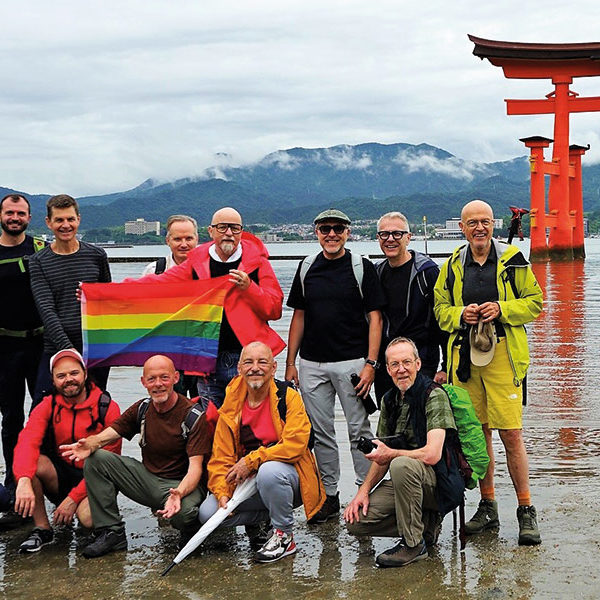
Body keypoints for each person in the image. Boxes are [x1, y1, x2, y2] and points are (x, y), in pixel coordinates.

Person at [433, 199, 543, 545]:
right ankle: (488, 505)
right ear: (462, 228)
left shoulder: (513, 260)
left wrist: (502, 308)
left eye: (484, 221)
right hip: (465, 360)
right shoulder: (451, 266)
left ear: (493, 224)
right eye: (471, 223)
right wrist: (459, 315)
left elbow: (536, 302)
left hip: (503, 357)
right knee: (478, 437)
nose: (479, 228)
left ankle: (526, 510)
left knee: (511, 434)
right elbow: (439, 310)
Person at [285, 209, 384, 523]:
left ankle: (364, 492)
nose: (331, 234)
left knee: (359, 430)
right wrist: (290, 362)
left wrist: (371, 363)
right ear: (316, 232)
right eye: (325, 229)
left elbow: (375, 319)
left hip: (353, 362)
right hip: (312, 363)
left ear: (348, 232)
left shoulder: (361, 268)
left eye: (338, 229)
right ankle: (329, 496)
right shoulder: (306, 268)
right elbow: (298, 316)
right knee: (320, 432)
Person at [60, 355, 212, 558]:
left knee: (183, 515)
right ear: (143, 382)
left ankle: (190, 532)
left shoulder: (193, 416)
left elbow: (196, 469)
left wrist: (179, 493)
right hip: (149, 480)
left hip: (183, 484)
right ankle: (111, 531)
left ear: (176, 378)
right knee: (97, 459)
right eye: (152, 379)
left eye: (164, 378)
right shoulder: (142, 408)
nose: (158, 384)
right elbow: (113, 432)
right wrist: (91, 443)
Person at [132, 207, 284, 408]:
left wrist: (250, 288)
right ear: (211, 231)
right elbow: (159, 285)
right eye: (222, 227)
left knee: (249, 423)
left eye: (234, 228)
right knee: (210, 423)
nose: (228, 233)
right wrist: (103, 293)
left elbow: (274, 310)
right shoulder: (196, 261)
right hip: (207, 360)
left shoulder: (258, 263)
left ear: (242, 231)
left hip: (247, 359)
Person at [198, 341, 325, 562]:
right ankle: (271, 516)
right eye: (248, 362)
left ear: (274, 367)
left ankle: (284, 536)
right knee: (208, 514)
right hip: (250, 483)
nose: (255, 367)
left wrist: (253, 460)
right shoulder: (232, 402)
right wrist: (222, 492)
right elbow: (221, 457)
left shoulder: (289, 396)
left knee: (269, 471)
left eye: (262, 362)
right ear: (239, 368)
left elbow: (295, 445)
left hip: (289, 479)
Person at [344, 337, 459, 568]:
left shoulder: (433, 395)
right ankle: (424, 525)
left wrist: (391, 455)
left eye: (407, 362)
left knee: (401, 464)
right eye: (395, 364)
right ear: (387, 369)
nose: (401, 369)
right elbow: (381, 455)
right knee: (356, 523)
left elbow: (432, 454)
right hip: (407, 482)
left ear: (418, 364)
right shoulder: (389, 400)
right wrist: (363, 492)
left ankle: (413, 544)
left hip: (441, 482)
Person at [13, 349, 121, 552]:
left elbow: (112, 460)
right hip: (61, 475)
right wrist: (24, 480)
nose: (68, 380)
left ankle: (97, 516)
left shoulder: (107, 407)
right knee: (29, 464)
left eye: (74, 373)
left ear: (85, 374)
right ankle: (42, 528)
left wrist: (72, 499)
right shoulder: (47, 405)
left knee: (87, 520)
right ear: (52, 381)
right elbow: (26, 442)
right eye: (61, 376)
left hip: (96, 477)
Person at [29, 194, 112, 407]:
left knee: (95, 408)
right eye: (59, 220)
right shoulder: (38, 261)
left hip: (94, 348)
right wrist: (70, 353)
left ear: (79, 219)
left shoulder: (97, 255)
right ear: (49, 223)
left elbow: (108, 300)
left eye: (70, 219)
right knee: (43, 407)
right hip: (55, 347)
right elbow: (46, 310)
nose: (65, 225)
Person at [0, 194, 46, 528]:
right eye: (10, 212)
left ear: (29, 217)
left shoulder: (42, 249)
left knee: (43, 415)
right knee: (11, 418)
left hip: (41, 343)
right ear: (1, 215)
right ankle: (13, 485)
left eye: (21, 213)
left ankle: (42, 480)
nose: (15, 217)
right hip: (4, 346)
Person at [373, 211, 448, 402]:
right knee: (389, 417)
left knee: (420, 417)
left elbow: (442, 321)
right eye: (384, 234)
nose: (390, 239)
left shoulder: (427, 273)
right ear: (378, 238)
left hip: (421, 360)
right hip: (387, 363)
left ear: (408, 237)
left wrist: (446, 366)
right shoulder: (377, 273)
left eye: (397, 234)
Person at [141, 214, 200, 397]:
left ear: (197, 239)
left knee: (206, 410)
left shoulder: (209, 269)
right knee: (171, 407)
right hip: (167, 353)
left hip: (201, 352)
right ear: (168, 240)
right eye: (177, 239)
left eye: (189, 238)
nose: (184, 244)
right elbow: (139, 311)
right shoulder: (155, 271)